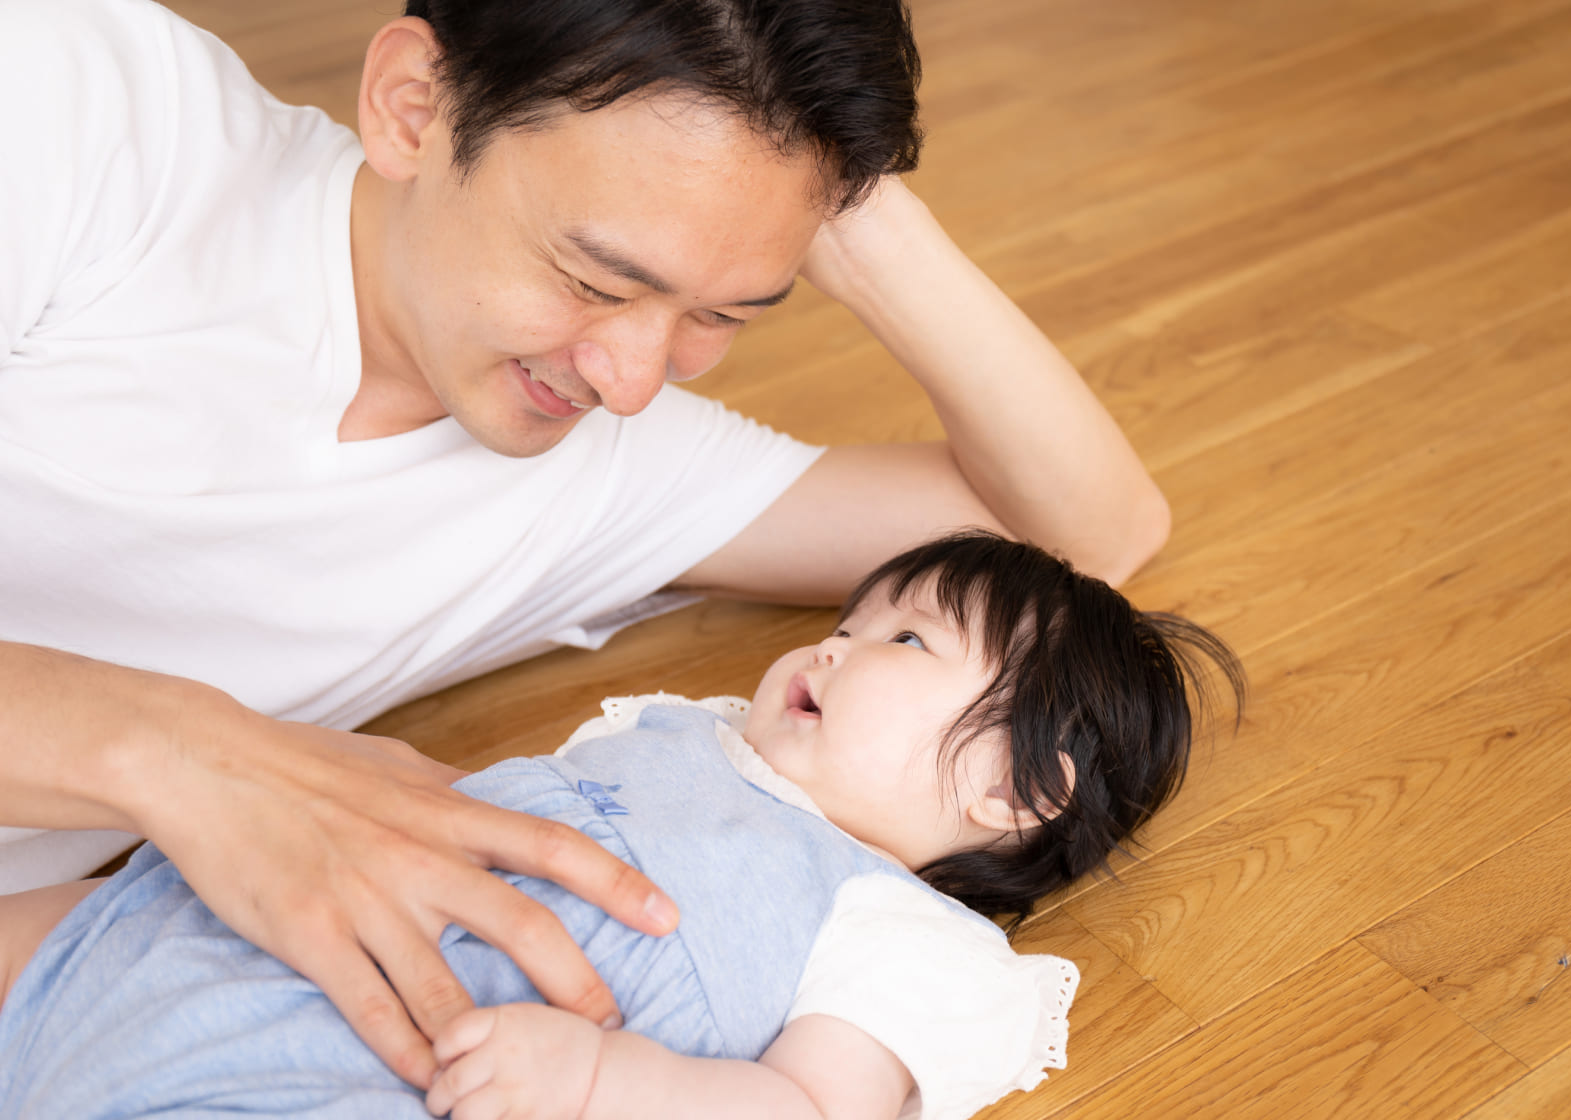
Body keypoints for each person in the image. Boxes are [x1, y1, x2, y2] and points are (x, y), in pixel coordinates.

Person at [0, 0, 1171, 1088]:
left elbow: (1092, 531)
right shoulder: (86, 109)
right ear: (414, 106)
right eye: (593, 278)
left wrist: (842, 200)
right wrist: (175, 751)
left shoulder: (604, 462)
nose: (632, 378)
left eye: (719, 315)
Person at [0, 533, 1243, 1119]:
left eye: (905, 639)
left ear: (1014, 791)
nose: (831, 646)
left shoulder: (906, 938)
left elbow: (806, 1112)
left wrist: (607, 1083)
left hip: (373, 1068)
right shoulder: (688, 734)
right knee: (69, 922)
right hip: (213, 924)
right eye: (846, 622)